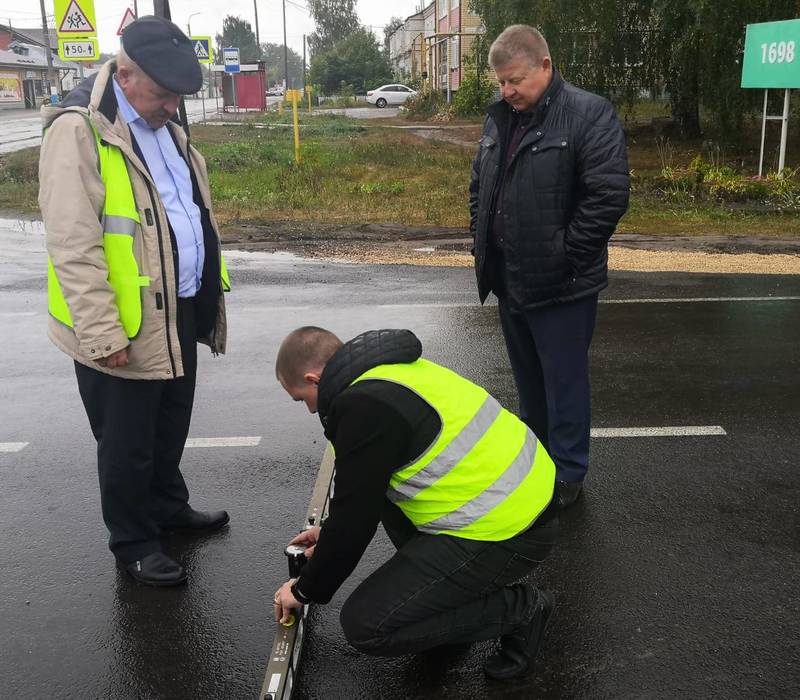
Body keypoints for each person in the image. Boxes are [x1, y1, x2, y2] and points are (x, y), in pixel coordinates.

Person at [38, 16, 230, 587]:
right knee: (126, 445)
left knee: (170, 425)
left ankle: (168, 507)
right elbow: (73, 243)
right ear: (124, 73)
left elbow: (186, 213)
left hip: (178, 309)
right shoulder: (80, 130)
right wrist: (101, 332)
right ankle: (134, 541)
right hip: (120, 325)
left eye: (178, 96)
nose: (172, 105)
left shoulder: (166, 126)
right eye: (162, 93)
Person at [273, 327, 559, 680]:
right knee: (383, 499)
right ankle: (445, 602)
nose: (309, 409)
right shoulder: (388, 372)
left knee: (367, 625)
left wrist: (303, 590)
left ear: (313, 378)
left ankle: (522, 611)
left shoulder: (362, 406)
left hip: (510, 529)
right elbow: (360, 495)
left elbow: (354, 524)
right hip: (520, 499)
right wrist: (329, 534)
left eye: (301, 398)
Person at [469, 25, 630, 508]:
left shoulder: (588, 114)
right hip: (509, 280)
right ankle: (536, 465)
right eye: (499, 82)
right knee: (530, 385)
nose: (506, 90)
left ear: (545, 65)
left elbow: (607, 197)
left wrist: (565, 256)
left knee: (564, 385)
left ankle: (568, 476)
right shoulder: (499, 119)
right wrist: (483, 239)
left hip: (562, 285)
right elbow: (482, 186)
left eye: (514, 79)